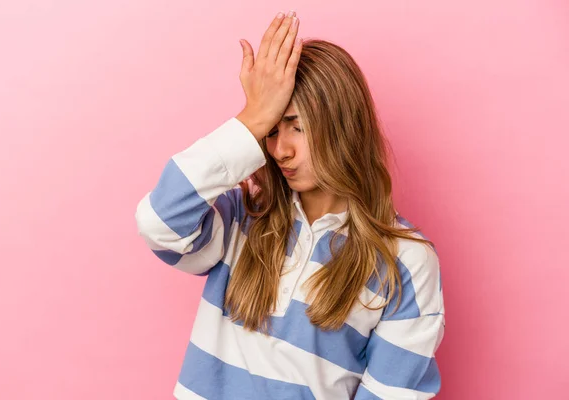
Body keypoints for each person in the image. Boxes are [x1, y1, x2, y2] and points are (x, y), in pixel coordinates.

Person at [135, 10, 445, 400]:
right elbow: (158, 223)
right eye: (271, 130)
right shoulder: (240, 218)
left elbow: (390, 393)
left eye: (297, 126)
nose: (280, 150)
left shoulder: (406, 262)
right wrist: (252, 118)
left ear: (343, 124)